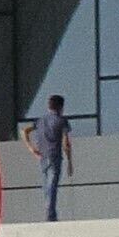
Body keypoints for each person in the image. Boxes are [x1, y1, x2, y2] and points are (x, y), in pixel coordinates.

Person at [20, 92, 74, 223]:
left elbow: (24, 131)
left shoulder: (40, 120)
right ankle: (51, 216)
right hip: (55, 156)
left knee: (47, 186)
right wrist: (70, 162)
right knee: (52, 186)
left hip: (43, 157)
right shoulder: (62, 120)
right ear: (60, 107)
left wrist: (31, 148)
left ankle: (50, 213)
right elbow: (66, 143)